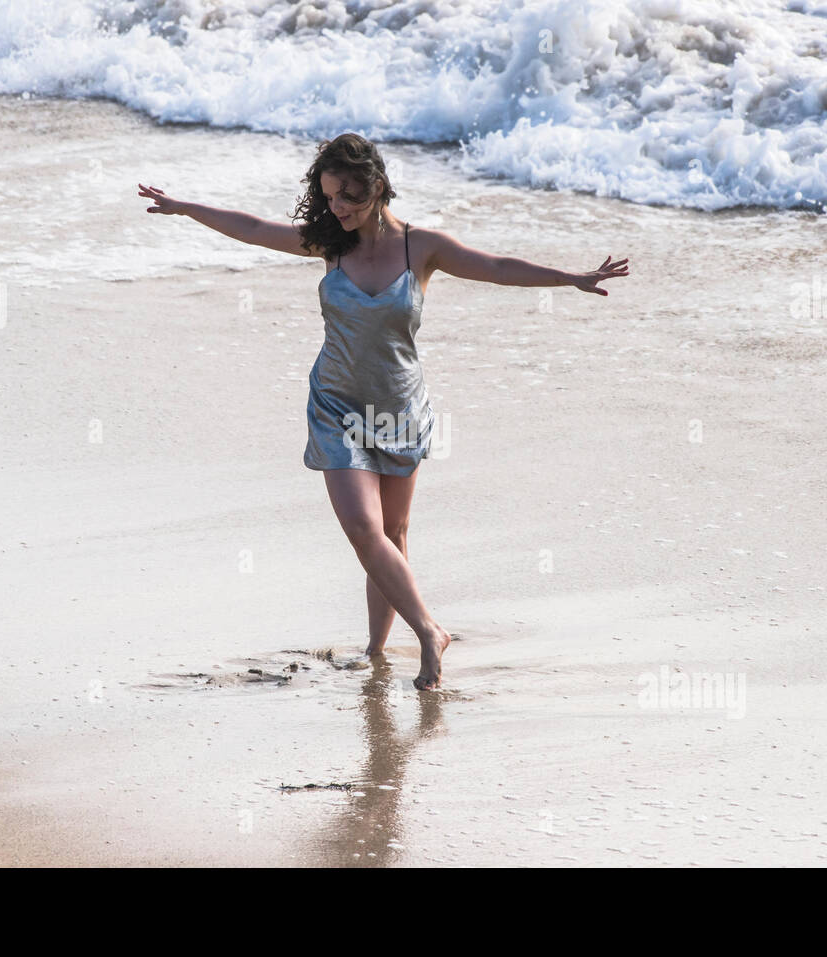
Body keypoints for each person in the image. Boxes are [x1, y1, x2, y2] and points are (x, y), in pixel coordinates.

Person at [137, 132, 628, 690]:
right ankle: (429, 632)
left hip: (399, 409)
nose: (337, 208)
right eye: (329, 198)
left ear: (376, 187)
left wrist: (568, 277)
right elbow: (251, 228)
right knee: (366, 530)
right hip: (336, 405)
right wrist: (184, 207)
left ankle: (374, 650)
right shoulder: (329, 243)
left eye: (347, 196)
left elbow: (494, 265)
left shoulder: (423, 248)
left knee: (393, 534)